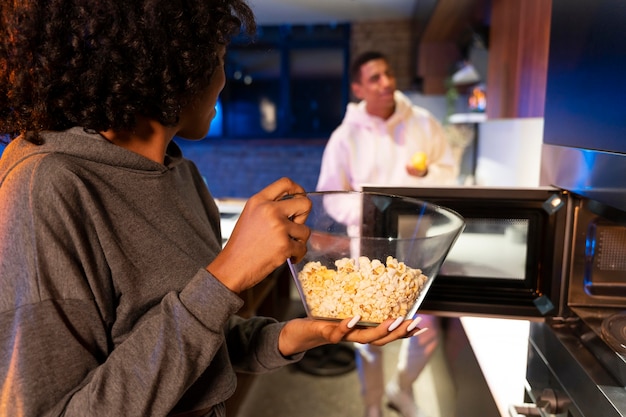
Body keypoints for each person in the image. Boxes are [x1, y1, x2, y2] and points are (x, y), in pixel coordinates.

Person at [0, 3, 426, 416]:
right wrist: (227, 274)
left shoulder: (180, 173)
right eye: (219, 58)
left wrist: (294, 336)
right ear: (170, 63)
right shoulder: (45, 188)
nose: (224, 79)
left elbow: (205, 337)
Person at [316, 51, 459, 417]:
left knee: (424, 329)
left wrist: (424, 177)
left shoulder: (423, 124)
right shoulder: (344, 136)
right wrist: (365, 218)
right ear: (358, 87)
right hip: (367, 250)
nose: (386, 83)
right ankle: (372, 405)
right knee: (368, 337)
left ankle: (402, 389)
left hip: (419, 244)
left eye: (389, 73)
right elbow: (331, 194)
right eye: (375, 77)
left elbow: (449, 173)